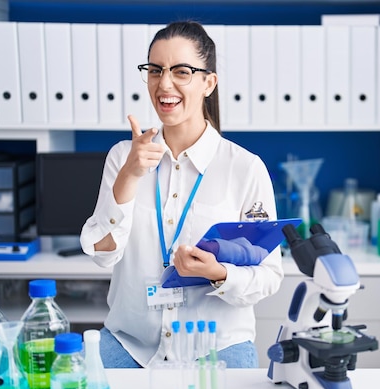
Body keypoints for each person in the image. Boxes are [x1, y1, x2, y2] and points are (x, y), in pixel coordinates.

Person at [80, 21, 282, 369]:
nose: (165, 83)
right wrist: (129, 175)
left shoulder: (245, 168)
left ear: (208, 83)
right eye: (155, 70)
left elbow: (269, 275)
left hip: (217, 346)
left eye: (181, 71)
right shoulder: (122, 157)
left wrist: (220, 273)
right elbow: (102, 256)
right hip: (132, 344)